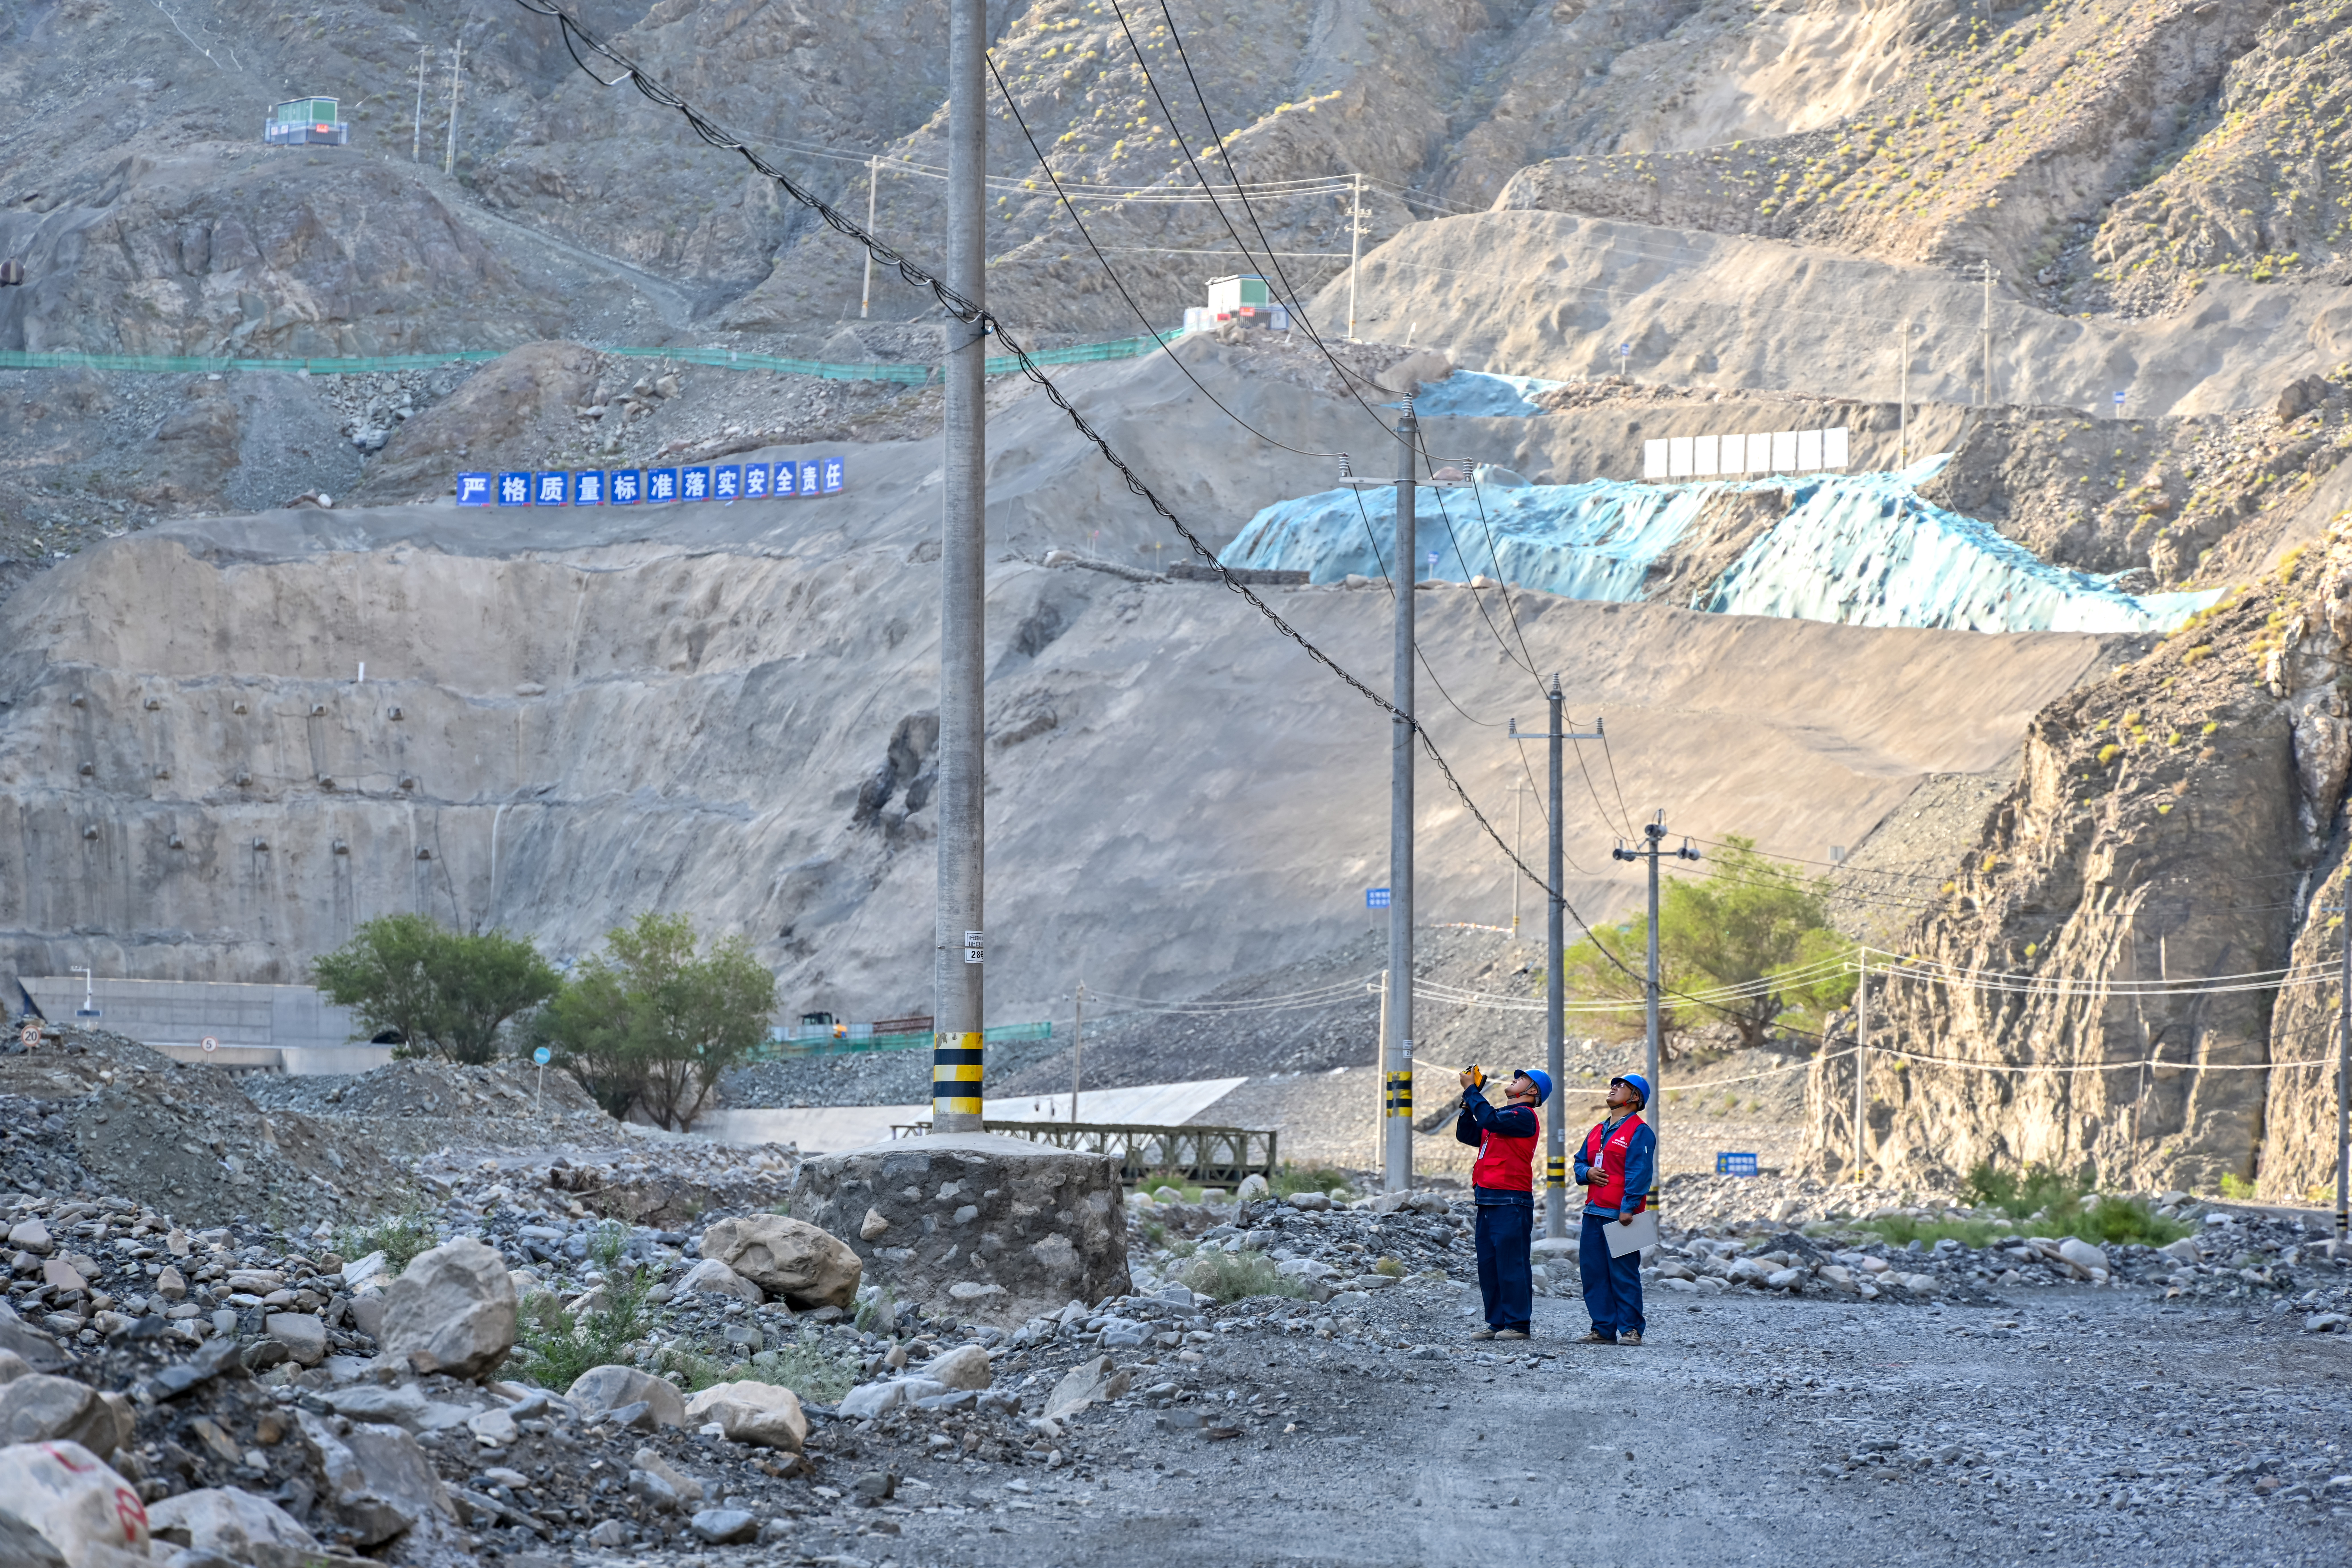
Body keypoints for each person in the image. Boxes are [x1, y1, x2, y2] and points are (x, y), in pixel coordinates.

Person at [1454, 1066, 1553, 1341]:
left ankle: (1518, 1325)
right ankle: (1497, 1323)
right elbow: (1466, 1134)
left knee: (1511, 1264)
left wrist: (1472, 1090)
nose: (1514, 1079)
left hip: (1511, 1199)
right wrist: (1468, 1102)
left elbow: (1490, 1119)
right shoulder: (1501, 1118)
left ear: (1533, 1091)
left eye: (1522, 1079)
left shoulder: (1524, 1116)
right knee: (1489, 1265)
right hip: (1488, 1199)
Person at [1573, 1072, 1657, 1346]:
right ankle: (1603, 1329)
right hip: (1593, 1212)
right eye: (1614, 1085)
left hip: (1622, 1216)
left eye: (1621, 1086)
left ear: (1635, 1097)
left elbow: (1640, 1173)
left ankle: (1631, 1329)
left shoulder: (1640, 1131)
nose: (1613, 1088)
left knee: (1624, 1275)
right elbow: (1579, 1162)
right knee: (1593, 1274)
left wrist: (1629, 1207)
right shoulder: (1597, 1130)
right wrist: (1587, 1173)